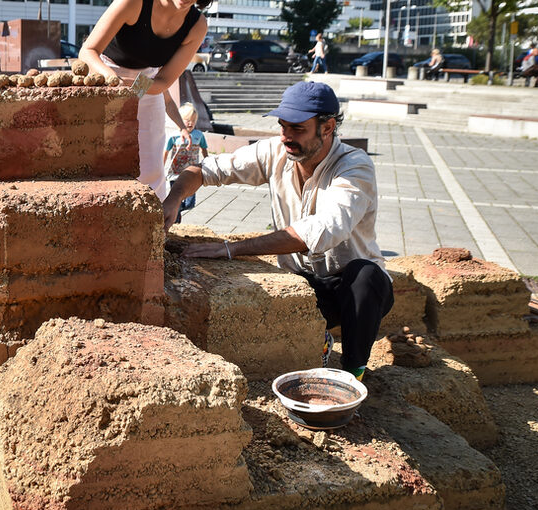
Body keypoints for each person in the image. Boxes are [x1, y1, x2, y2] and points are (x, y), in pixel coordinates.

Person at [163, 81, 392, 381]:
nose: (286, 136)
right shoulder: (276, 150)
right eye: (283, 126)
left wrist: (230, 248)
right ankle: (317, 341)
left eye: (297, 129)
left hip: (352, 291)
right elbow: (208, 169)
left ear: (327, 127)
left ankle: (351, 375)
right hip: (307, 286)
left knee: (365, 276)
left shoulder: (354, 167)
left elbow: (322, 232)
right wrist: (173, 197)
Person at [79, 0, 216, 200]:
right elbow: (88, 51)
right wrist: (113, 81)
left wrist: (135, 88)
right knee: (98, 155)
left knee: (151, 165)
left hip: (148, 85)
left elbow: (164, 80)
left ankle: (152, 227)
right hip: (103, 75)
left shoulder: (197, 26)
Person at [164, 103, 208, 223]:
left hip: (191, 174)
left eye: (193, 120)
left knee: (190, 203)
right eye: (187, 120)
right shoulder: (174, 136)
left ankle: (175, 210)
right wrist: (162, 166)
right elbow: (166, 151)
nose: (190, 123)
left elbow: (204, 149)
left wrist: (207, 162)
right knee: (175, 199)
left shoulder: (199, 135)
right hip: (175, 173)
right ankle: (175, 221)